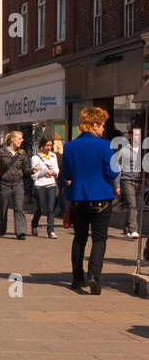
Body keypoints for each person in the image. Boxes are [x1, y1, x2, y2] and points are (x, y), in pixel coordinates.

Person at [60, 106, 120, 295]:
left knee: (79, 239)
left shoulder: (69, 146)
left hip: (77, 197)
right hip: (100, 196)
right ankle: (94, 276)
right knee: (99, 239)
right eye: (102, 125)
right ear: (94, 124)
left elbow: (66, 174)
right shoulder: (104, 145)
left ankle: (77, 278)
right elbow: (112, 172)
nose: (104, 129)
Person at [0, 131, 30, 238]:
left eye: (22, 139)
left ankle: (21, 232)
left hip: (18, 184)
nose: (21, 140)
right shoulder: (1, 152)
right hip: (4, 184)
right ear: (12, 139)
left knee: (19, 208)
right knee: (2, 208)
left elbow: (26, 169)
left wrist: (32, 171)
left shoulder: (22, 153)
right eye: (19, 138)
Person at [117, 121, 142, 240]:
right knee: (132, 205)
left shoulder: (143, 151)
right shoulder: (124, 151)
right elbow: (118, 168)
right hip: (127, 180)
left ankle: (127, 228)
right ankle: (133, 230)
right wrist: (117, 185)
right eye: (134, 135)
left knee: (135, 206)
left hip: (139, 181)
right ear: (130, 136)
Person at [30, 139, 59, 238]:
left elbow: (56, 170)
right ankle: (34, 224)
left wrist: (53, 172)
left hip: (51, 184)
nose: (49, 147)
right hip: (40, 185)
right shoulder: (35, 158)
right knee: (41, 209)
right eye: (47, 145)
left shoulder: (53, 156)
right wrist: (44, 172)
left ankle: (50, 230)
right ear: (42, 146)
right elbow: (34, 175)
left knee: (50, 208)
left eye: (50, 145)